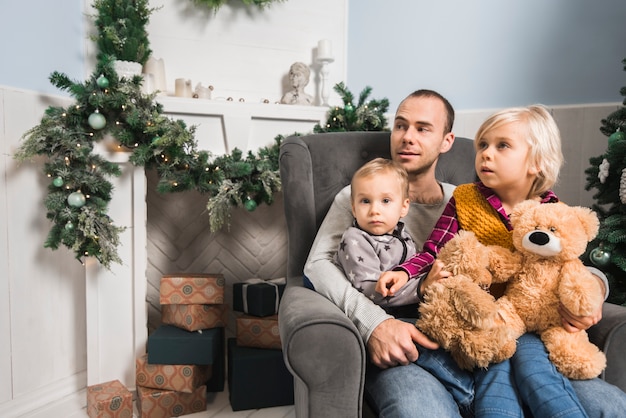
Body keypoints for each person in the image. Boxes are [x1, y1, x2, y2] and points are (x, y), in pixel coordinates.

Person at [303, 89, 626, 417]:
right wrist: (375, 324)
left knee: (609, 405)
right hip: (417, 327)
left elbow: (563, 253)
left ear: (447, 141)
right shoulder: (361, 195)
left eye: (423, 128)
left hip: (507, 328)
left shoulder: (471, 198)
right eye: (400, 126)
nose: (407, 137)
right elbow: (318, 265)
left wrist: (595, 288)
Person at [377, 104, 592, 417]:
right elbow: (434, 250)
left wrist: (588, 296)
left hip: (531, 324)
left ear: (536, 162)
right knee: (497, 387)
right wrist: (405, 271)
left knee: (538, 376)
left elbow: (571, 266)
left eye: (502, 145)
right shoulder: (465, 198)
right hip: (483, 321)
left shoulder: (554, 213)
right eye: (482, 145)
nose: (486, 154)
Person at [337, 157, 420, 308]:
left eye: (386, 201)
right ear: (354, 208)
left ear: (403, 207)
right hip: (384, 312)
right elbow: (373, 292)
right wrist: (422, 287)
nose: (374, 211)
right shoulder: (354, 240)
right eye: (365, 201)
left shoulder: (402, 235)